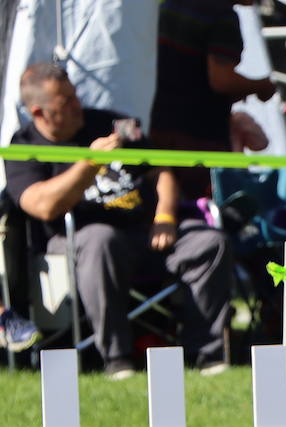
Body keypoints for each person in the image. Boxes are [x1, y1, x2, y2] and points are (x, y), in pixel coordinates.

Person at [4, 63, 233, 379]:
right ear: (39, 113)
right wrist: (89, 164)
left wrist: (165, 215)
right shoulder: (24, 146)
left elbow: (160, 170)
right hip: (76, 243)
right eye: (65, 103)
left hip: (145, 232)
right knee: (101, 239)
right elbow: (41, 206)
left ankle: (206, 353)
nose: (76, 106)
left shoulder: (111, 124)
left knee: (209, 242)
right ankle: (117, 359)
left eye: (74, 96)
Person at [150, 0, 277, 199]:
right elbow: (221, 80)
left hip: (159, 131)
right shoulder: (221, 13)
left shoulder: (177, 1)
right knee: (208, 212)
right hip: (199, 140)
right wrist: (262, 86)